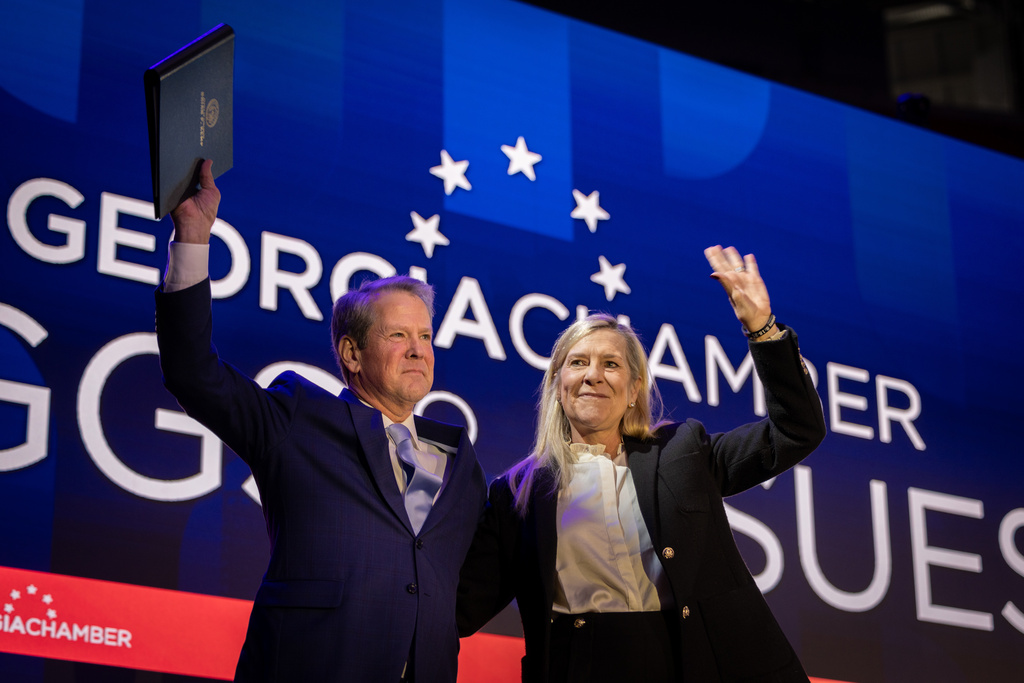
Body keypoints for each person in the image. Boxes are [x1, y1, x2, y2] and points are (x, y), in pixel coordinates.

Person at [155, 161, 487, 683]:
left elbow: (462, 584)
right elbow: (193, 374)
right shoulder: (298, 418)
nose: (418, 350)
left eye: (425, 337)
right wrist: (194, 237)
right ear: (351, 354)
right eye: (398, 336)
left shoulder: (461, 465)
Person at [456, 245, 826, 683]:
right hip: (578, 665)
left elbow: (796, 430)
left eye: (610, 364)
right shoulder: (515, 493)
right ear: (558, 386)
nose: (593, 375)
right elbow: (458, 607)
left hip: (689, 658)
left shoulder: (684, 451)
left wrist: (762, 330)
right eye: (578, 363)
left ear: (633, 390)